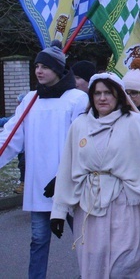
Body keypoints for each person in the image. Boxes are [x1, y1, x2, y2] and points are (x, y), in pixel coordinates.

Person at [51, 73, 140, 278]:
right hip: (90, 207)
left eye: (108, 93)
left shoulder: (134, 122)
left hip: (126, 205)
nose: (102, 98)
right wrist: (58, 211)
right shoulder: (79, 125)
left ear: (118, 95)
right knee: (93, 264)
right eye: (97, 93)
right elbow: (67, 169)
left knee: (124, 266)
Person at [0, 43, 89, 279]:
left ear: (58, 69)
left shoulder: (77, 99)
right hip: (39, 184)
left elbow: (83, 141)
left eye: (45, 66)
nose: (39, 71)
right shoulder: (31, 99)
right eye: (37, 66)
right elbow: (11, 136)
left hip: (70, 183)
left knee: (85, 240)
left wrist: (71, 173)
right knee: (38, 239)